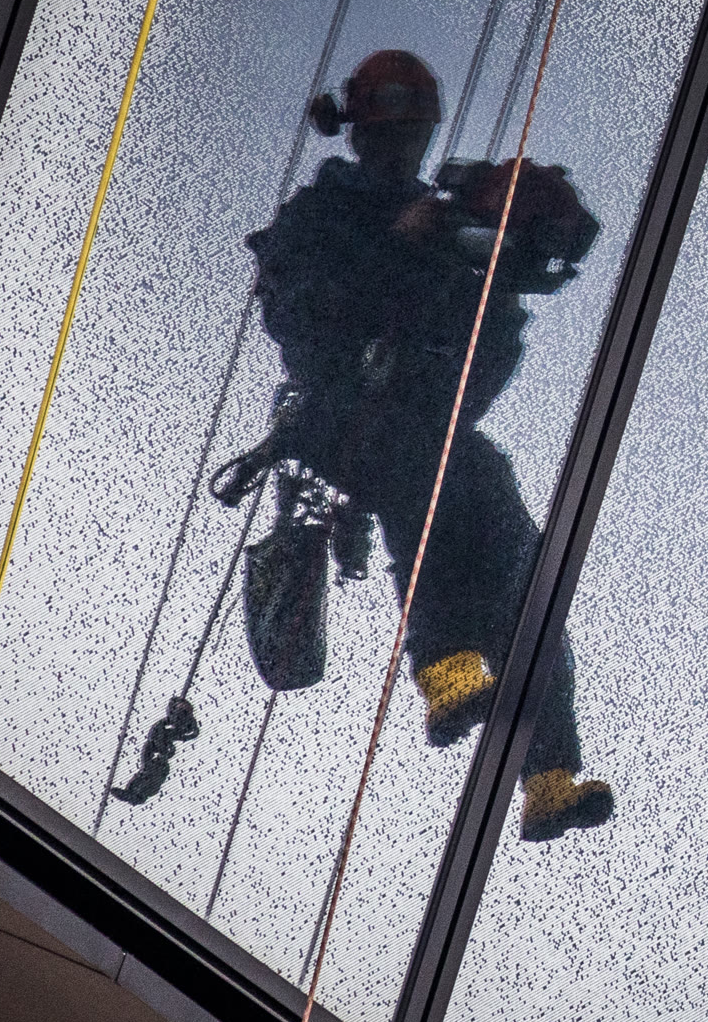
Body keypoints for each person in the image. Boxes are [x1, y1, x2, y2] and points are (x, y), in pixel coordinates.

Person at [236, 48, 614, 842]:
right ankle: (445, 668)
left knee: (520, 555)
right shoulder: (322, 215)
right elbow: (302, 321)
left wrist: (499, 283)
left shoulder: (449, 227)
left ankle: (550, 776)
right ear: (359, 133)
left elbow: (476, 383)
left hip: (424, 425)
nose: (401, 148)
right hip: (343, 414)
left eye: (412, 133)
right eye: (388, 133)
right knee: (423, 466)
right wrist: (401, 250)